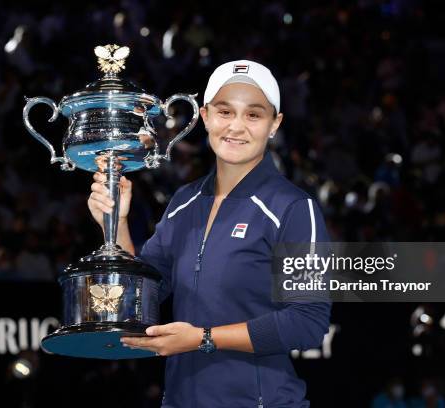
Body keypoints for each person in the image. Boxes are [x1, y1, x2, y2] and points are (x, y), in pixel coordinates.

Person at [88, 60, 331, 407]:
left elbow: (307, 322)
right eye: (224, 111)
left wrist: (203, 338)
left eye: (253, 115)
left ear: (274, 124)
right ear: (204, 117)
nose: (236, 126)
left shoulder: (293, 208)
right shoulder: (184, 202)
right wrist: (116, 223)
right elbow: (141, 302)